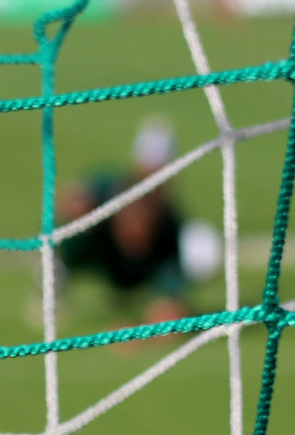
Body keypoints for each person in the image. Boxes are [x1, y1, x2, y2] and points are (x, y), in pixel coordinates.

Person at [53, 118, 192, 328]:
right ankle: (55, 277)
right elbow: (69, 198)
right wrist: (77, 206)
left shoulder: (170, 219)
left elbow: (172, 314)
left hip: (141, 270)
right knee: (72, 235)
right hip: (102, 255)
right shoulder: (108, 189)